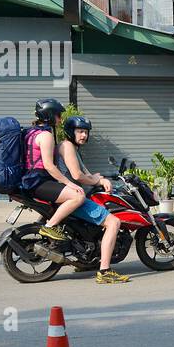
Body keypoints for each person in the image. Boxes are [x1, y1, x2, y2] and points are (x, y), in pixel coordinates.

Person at [57, 115, 129, 284]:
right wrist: (97, 180)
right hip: (73, 196)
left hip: (67, 194)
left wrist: (98, 177)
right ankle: (104, 271)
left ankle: (86, 262)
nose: (84, 135)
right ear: (70, 132)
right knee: (113, 222)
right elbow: (77, 175)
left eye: (86, 132)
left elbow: (84, 173)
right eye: (80, 131)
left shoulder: (70, 147)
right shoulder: (67, 146)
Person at [21, 98, 86, 242]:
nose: (60, 119)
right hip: (38, 182)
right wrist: (70, 183)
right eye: (58, 115)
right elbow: (49, 166)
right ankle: (49, 226)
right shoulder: (46, 136)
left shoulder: (31, 132)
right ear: (49, 115)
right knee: (78, 196)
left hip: (31, 180)